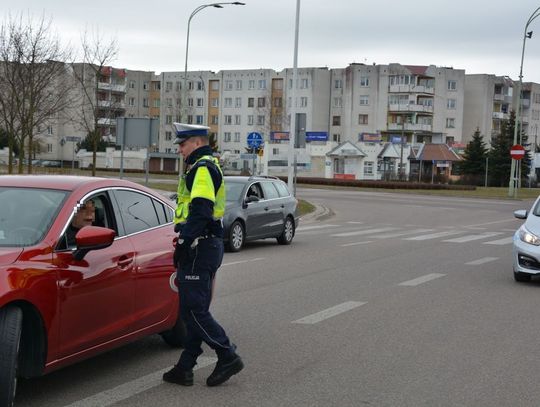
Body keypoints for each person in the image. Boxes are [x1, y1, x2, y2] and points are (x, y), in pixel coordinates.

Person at [163, 123, 244, 387]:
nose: (179, 150)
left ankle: (227, 354)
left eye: (182, 144)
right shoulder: (201, 166)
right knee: (192, 310)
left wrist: (185, 242)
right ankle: (185, 366)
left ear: (196, 143)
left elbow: (201, 209)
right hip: (205, 245)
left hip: (200, 245)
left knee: (194, 309)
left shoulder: (202, 168)